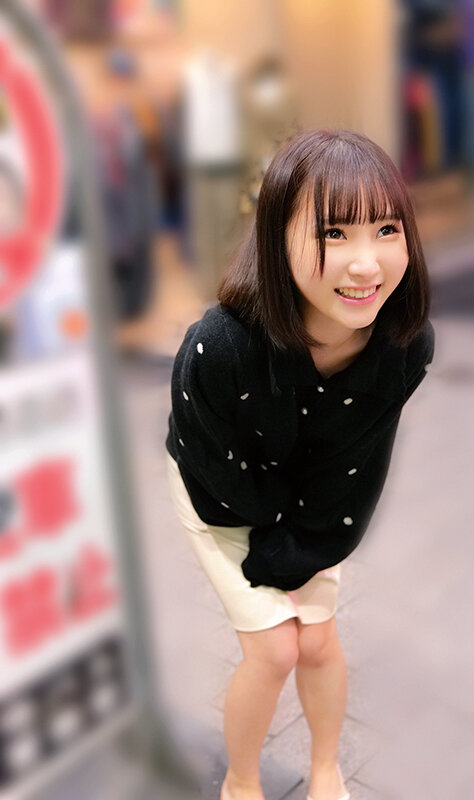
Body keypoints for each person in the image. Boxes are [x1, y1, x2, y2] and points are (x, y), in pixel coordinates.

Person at [165, 129, 435, 800]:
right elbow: (213, 465)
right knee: (275, 648)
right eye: (333, 234)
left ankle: (325, 769)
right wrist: (269, 550)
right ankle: (240, 781)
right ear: (275, 240)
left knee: (316, 641)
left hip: (317, 496)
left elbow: (357, 466)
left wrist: (301, 548)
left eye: (386, 229)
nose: (366, 264)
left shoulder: (403, 346)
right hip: (217, 492)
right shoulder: (219, 348)